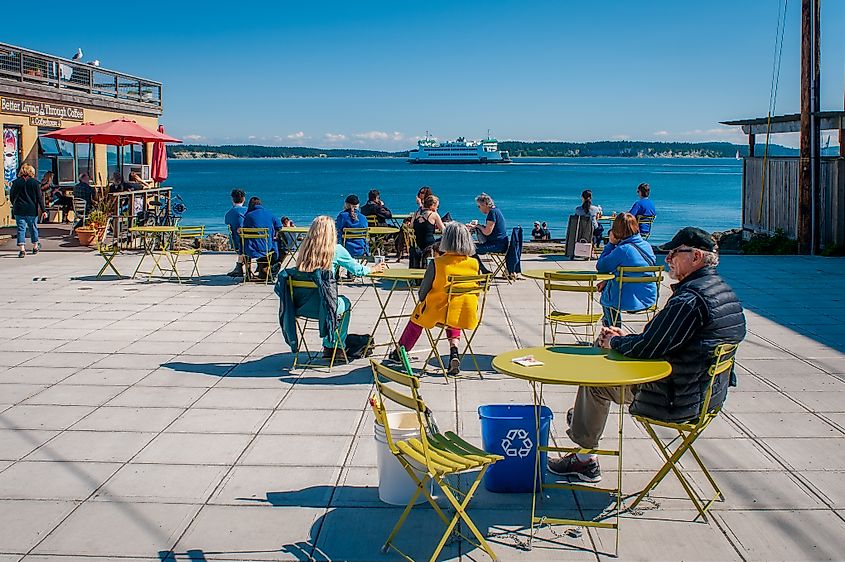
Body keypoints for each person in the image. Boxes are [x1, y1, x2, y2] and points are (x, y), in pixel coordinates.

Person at [548, 227, 746, 483]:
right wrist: (623, 340)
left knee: (595, 382)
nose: (668, 258)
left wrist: (615, 341)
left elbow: (648, 348)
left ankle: (584, 459)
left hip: (675, 398)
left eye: (675, 253)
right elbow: (661, 341)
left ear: (696, 256)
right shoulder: (723, 291)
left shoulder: (690, 300)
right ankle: (581, 420)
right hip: (708, 395)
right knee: (606, 360)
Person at [390, 222, 479, 375]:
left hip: (438, 312)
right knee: (454, 306)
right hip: (465, 312)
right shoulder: (473, 263)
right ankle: (454, 352)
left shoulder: (438, 263)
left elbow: (422, 293)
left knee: (417, 316)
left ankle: (400, 352)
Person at [293, 215, 385, 357]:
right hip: (324, 307)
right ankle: (336, 345)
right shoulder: (335, 250)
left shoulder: (305, 250)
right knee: (344, 304)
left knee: (329, 303)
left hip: (301, 306)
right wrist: (374, 268)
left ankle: (329, 345)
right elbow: (357, 270)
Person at [595, 213, 657, 327]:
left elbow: (601, 266)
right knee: (610, 287)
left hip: (625, 299)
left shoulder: (623, 250)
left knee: (607, 299)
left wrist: (610, 244)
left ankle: (613, 329)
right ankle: (609, 326)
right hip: (648, 296)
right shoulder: (647, 246)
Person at [9, 163, 46, 258]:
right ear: (31, 172)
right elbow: (39, 198)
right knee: (33, 228)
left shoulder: (16, 182)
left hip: (19, 209)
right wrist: (43, 210)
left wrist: (15, 204)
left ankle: (22, 249)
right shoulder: (35, 183)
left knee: (21, 229)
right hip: (31, 209)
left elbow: (12, 196)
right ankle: (35, 246)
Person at [242, 196, 282, 279]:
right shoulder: (269, 214)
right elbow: (279, 226)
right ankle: (268, 269)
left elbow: (244, 228)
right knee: (278, 245)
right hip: (266, 248)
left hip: (250, 249)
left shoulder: (248, 216)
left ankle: (250, 272)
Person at [468, 192, 508, 274]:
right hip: (500, 243)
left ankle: (483, 271)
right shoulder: (496, 210)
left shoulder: (492, 213)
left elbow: (487, 232)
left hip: (496, 245)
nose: (479, 209)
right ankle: (482, 270)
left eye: (479, 206)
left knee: (469, 249)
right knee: (470, 248)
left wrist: (477, 226)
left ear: (485, 204)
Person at [413, 194, 445, 265]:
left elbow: (411, 227)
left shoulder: (416, 214)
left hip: (418, 244)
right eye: (437, 206)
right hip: (430, 245)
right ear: (433, 205)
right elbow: (444, 230)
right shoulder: (433, 215)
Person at [336, 194, 369, 259]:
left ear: (346, 204)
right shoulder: (363, 218)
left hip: (345, 250)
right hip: (361, 249)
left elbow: (337, 229)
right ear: (358, 205)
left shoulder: (342, 216)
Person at [224, 189, 247, 277]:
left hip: (236, 242)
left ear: (232, 199)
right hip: (251, 241)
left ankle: (239, 266)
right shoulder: (248, 211)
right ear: (244, 199)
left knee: (242, 243)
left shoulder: (229, 214)